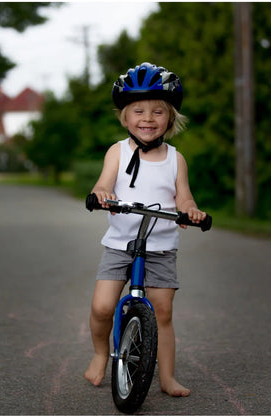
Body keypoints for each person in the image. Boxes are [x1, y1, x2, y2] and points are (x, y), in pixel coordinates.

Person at [85, 62, 206, 397]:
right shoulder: (117, 152)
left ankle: (167, 378)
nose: (148, 119)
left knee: (162, 312)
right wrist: (102, 195)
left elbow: (184, 198)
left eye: (158, 112)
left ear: (170, 118)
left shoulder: (175, 158)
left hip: (160, 247)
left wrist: (190, 212)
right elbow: (103, 184)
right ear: (125, 117)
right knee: (102, 307)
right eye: (138, 111)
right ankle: (100, 353)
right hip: (120, 243)